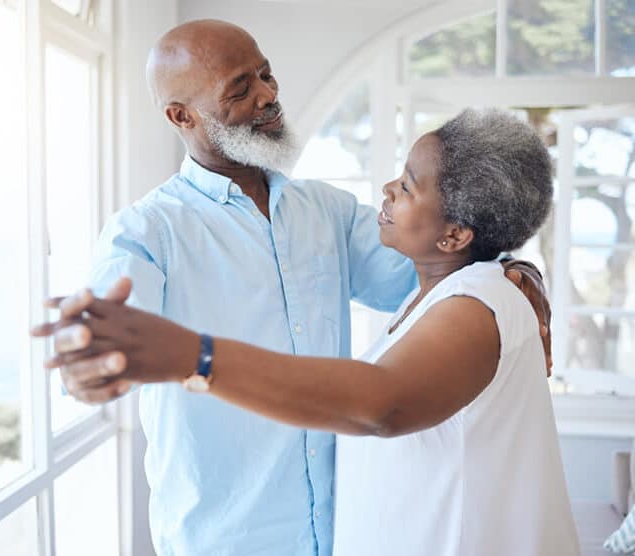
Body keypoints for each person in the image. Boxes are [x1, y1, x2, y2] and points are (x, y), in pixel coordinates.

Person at [33, 18, 552, 556]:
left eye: (266, 74)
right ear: (180, 116)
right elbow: (104, 349)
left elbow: (445, 263)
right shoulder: (146, 232)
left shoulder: (325, 211)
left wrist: (512, 270)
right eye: (240, 89)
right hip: (226, 542)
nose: (267, 95)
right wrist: (85, 363)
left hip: (345, 536)